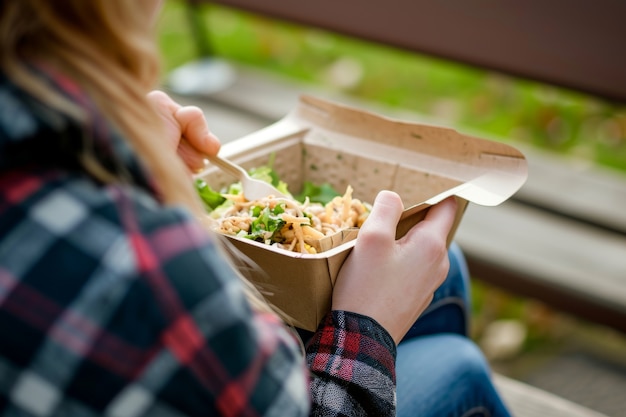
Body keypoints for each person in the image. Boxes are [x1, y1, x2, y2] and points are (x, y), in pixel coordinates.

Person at [0, 1, 512, 416]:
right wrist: (365, 327)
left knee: (445, 273)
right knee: (457, 365)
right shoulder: (152, 272)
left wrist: (115, 147)